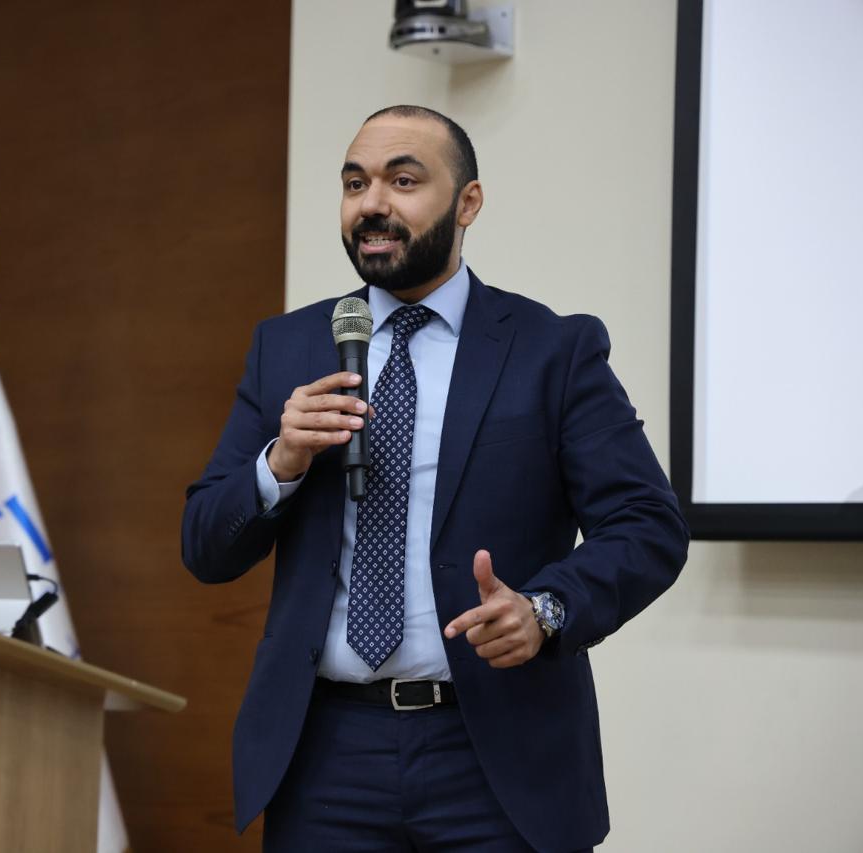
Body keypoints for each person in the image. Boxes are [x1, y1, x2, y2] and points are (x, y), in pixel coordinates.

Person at [181, 105, 689, 852]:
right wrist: (279, 462)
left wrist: (546, 609)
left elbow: (648, 524)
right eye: (355, 183)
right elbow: (205, 545)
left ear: (468, 202)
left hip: (496, 753)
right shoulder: (287, 348)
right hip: (326, 756)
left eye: (403, 180)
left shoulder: (551, 350)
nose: (372, 204)